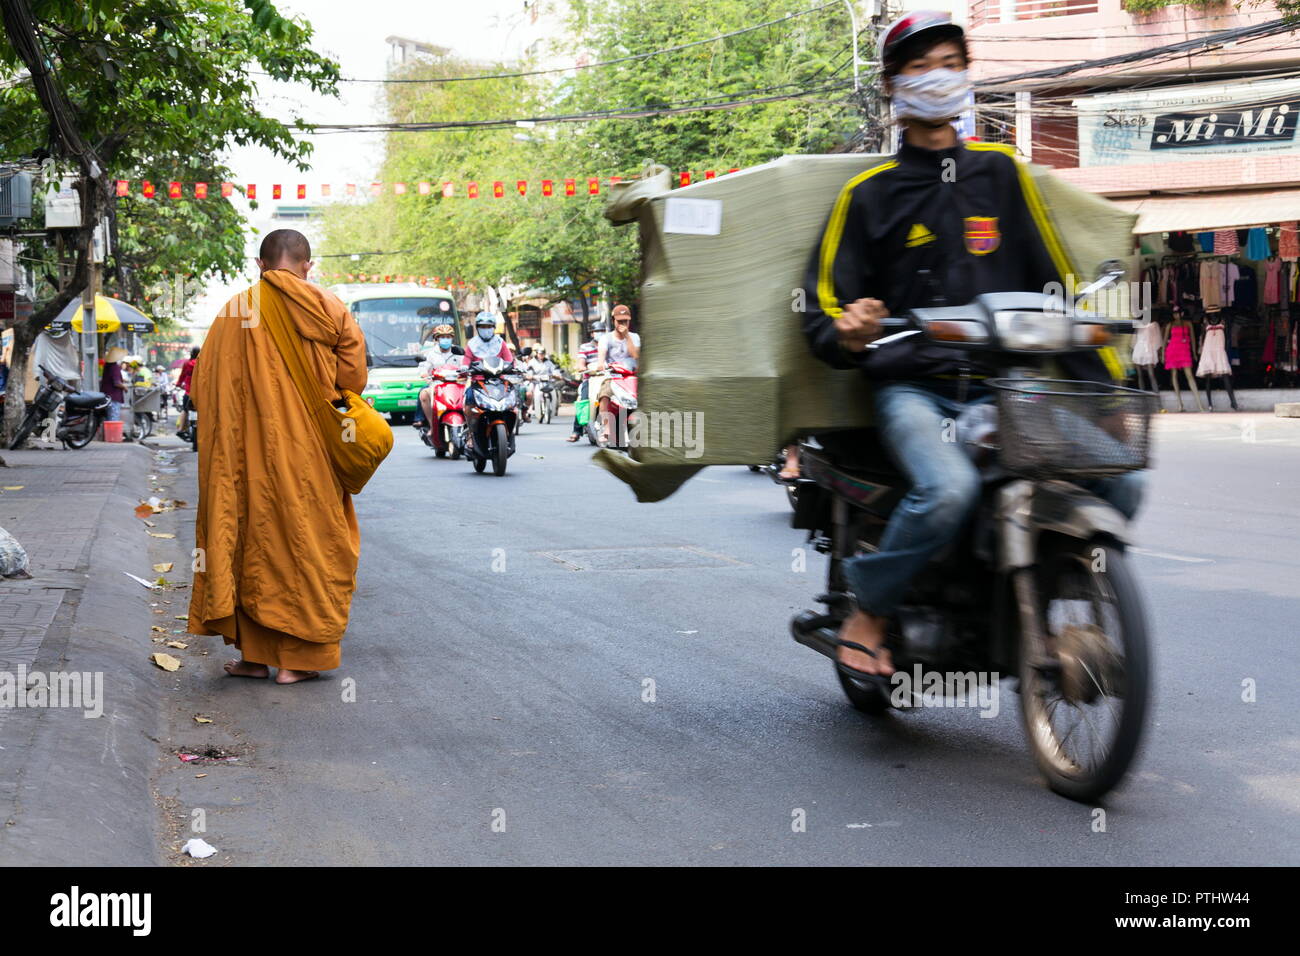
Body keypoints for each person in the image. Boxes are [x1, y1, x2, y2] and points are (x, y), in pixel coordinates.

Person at [800, 11, 1141, 680]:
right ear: (893, 87)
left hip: (1013, 387)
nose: (939, 78)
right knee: (948, 490)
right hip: (916, 390)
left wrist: (1105, 396)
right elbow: (822, 307)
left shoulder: (1002, 176)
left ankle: (1048, 580)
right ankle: (867, 613)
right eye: (920, 67)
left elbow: (1059, 293)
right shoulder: (866, 196)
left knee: (1120, 483)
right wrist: (848, 327)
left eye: (951, 63)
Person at [187, 228, 367, 684]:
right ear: (307, 265)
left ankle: (253, 657)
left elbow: (202, 390)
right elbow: (352, 380)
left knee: (245, 543)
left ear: (260, 266)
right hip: (310, 459)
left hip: (242, 463)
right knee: (308, 546)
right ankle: (296, 663)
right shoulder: (328, 307)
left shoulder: (235, 311)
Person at [594, 305, 640, 443]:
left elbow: (635, 355)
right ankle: (607, 427)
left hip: (631, 377)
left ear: (629, 321)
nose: (622, 324)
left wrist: (626, 336)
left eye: (625, 321)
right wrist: (601, 365)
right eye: (619, 321)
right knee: (604, 394)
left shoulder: (634, 337)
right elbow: (601, 358)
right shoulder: (606, 338)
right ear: (613, 320)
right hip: (613, 376)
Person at [415, 323, 463, 450]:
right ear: (436, 339)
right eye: (442, 337)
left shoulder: (458, 352)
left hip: (456, 385)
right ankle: (432, 426)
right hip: (437, 384)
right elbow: (424, 367)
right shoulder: (431, 354)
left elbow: (466, 366)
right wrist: (425, 374)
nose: (445, 339)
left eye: (448, 336)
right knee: (424, 394)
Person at [567, 323, 603, 442]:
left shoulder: (609, 346)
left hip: (608, 378)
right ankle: (576, 431)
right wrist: (582, 367)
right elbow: (581, 363)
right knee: (584, 400)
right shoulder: (585, 347)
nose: (600, 333)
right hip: (590, 379)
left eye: (602, 331)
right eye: (597, 331)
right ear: (592, 333)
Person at [99, 346, 128, 421]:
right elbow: (116, 383)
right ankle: (112, 433)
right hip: (113, 397)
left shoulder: (107, 366)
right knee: (113, 419)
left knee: (108, 419)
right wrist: (124, 387)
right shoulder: (115, 367)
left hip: (106, 396)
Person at [175, 346, 199, 439]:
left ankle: (180, 429)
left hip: (188, 392)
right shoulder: (202, 362)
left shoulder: (187, 364)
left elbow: (182, 376)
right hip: (200, 393)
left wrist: (178, 384)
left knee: (185, 410)